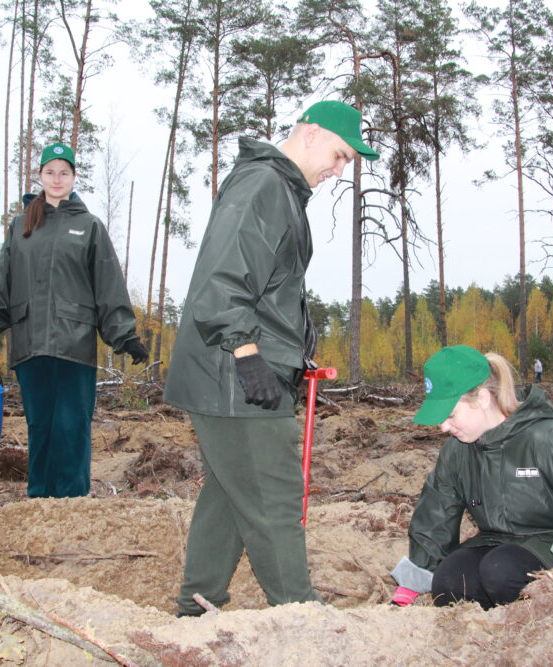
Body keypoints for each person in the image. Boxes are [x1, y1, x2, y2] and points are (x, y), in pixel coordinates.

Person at [164, 100, 379, 616]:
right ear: (310, 133)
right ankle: (300, 616)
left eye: (347, 161)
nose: (339, 168)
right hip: (232, 373)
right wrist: (247, 353)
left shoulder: (280, 190)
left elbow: (268, 288)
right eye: (339, 154)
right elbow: (223, 276)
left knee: (230, 493)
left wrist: (286, 354)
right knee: (275, 496)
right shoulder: (263, 185)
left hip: (235, 369)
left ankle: (198, 604)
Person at [0, 142, 148, 499]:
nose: (57, 178)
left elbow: (107, 285)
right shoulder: (21, 226)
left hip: (73, 343)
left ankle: (72, 500)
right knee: (40, 424)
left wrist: (125, 336)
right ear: (40, 176)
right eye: (50, 172)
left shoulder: (89, 226)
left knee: (72, 424)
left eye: (64, 172)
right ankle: (39, 498)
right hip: (30, 343)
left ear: (74, 177)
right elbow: (3, 284)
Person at [389, 345, 553, 610]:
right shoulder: (457, 451)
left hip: (550, 544)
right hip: (494, 542)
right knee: (448, 583)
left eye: (450, 415)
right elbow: (436, 514)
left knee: (501, 572)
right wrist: (414, 580)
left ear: (482, 398)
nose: (444, 427)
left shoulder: (550, 439)